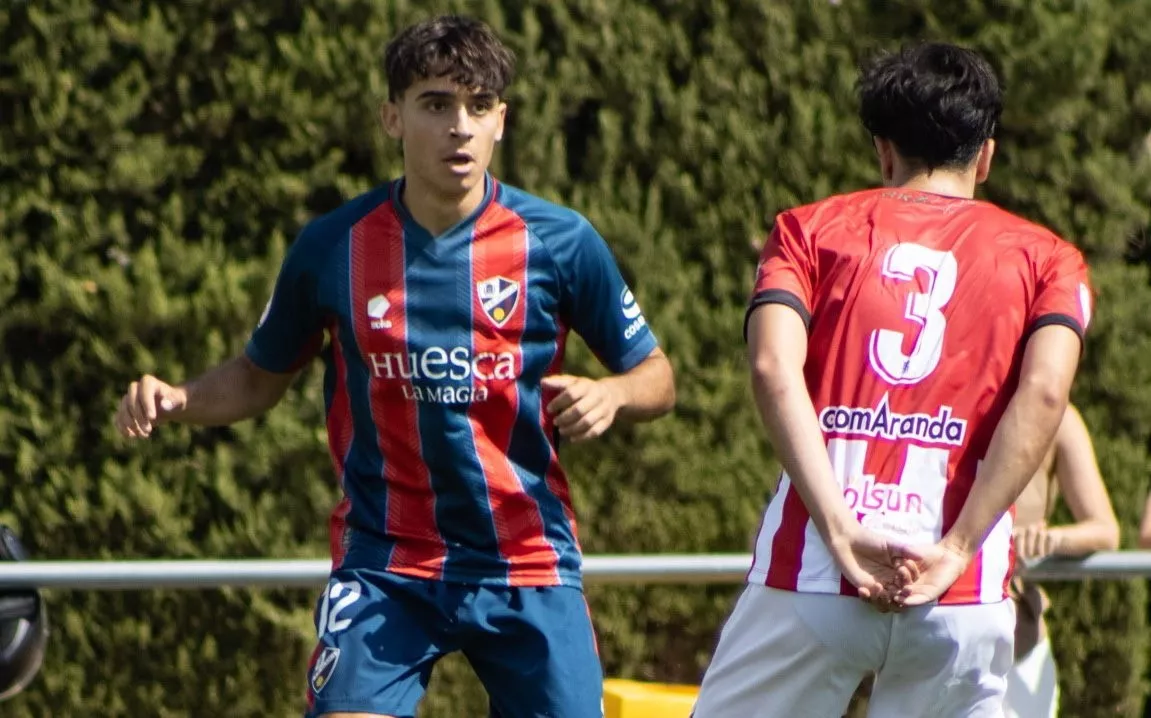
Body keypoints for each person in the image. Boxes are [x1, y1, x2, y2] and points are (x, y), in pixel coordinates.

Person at [113, 15, 675, 718]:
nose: (459, 128)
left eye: (477, 107)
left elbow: (657, 373)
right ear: (391, 116)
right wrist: (178, 398)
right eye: (436, 104)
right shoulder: (331, 247)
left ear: (502, 120)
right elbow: (260, 376)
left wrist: (614, 393)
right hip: (387, 563)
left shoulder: (559, 241)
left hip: (525, 557)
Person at [692, 41, 1092, 717]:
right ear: (985, 154)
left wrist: (840, 530)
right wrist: (957, 546)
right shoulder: (1050, 259)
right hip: (960, 596)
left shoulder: (807, 231)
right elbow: (1046, 392)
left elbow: (769, 365)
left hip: (811, 577)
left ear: (883, 151)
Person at [1005, 404, 1119, 718]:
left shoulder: (1058, 416)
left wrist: (1050, 539)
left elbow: (1105, 530)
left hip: (1019, 640)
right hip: (934, 633)